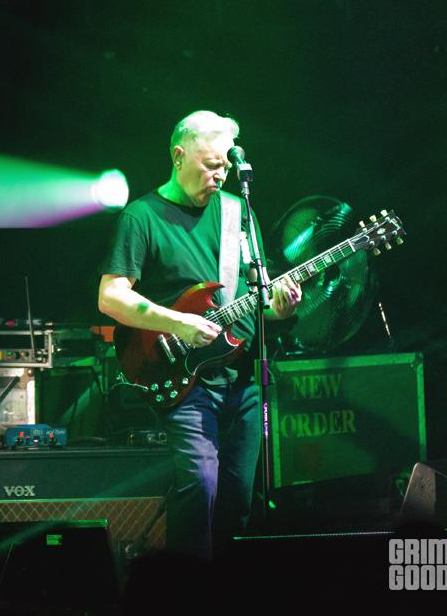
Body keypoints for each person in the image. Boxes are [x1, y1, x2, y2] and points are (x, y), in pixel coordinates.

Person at [97, 110, 302, 560]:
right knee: (199, 486)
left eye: (225, 166)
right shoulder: (142, 217)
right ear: (178, 156)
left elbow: (258, 298)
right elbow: (110, 297)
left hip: (243, 378)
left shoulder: (237, 212)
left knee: (238, 497)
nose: (220, 175)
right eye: (210, 165)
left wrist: (280, 307)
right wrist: (177, 323)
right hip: (185, 379)